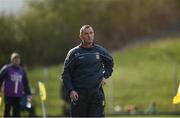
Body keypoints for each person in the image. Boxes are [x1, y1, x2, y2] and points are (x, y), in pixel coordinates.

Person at [61, 25, 114, 117]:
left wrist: (105, 76)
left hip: (96, 95)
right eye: (86, 34)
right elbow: (65, 74)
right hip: (79, 96)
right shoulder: (74, 53)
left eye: (91, 33)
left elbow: (110, 63)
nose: (89, 36)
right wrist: (71, 91)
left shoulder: (100, 51)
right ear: (81, 36)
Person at [0, 52, 32, 117]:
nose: (17, 60)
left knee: (17, 113)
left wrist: (28, 93)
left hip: (18, 96)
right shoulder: (7, 68)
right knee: (7, 112)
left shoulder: (22, 70)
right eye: (15, 59)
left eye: (18, 59)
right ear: (12, 60)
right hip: (8, 95)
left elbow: (25, 83)